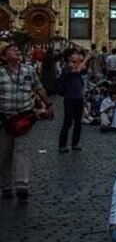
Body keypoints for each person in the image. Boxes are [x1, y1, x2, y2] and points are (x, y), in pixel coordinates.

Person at [0, 42, 54, 202]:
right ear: (3, 56)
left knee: (22, 151)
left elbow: (39, 88)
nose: (16, 50)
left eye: (17, 48)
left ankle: (22, 186)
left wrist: (49, 104)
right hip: (4, 118)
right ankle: (6, 185)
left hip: (24, 117)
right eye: (11, 49)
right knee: (4, 154)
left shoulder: (29, 70)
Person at [57, 49, 89, 152]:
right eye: (74, 54)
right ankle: (62, 144)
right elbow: (77, 70)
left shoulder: (77, 65)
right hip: (70, 97)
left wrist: (82, 59)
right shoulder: (66, 67)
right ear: (68, 57)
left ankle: (75, 143)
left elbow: (83, 69)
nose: (76, 56)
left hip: (78, 97)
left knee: (78, 122)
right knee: (68, 122)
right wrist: (86, 58)